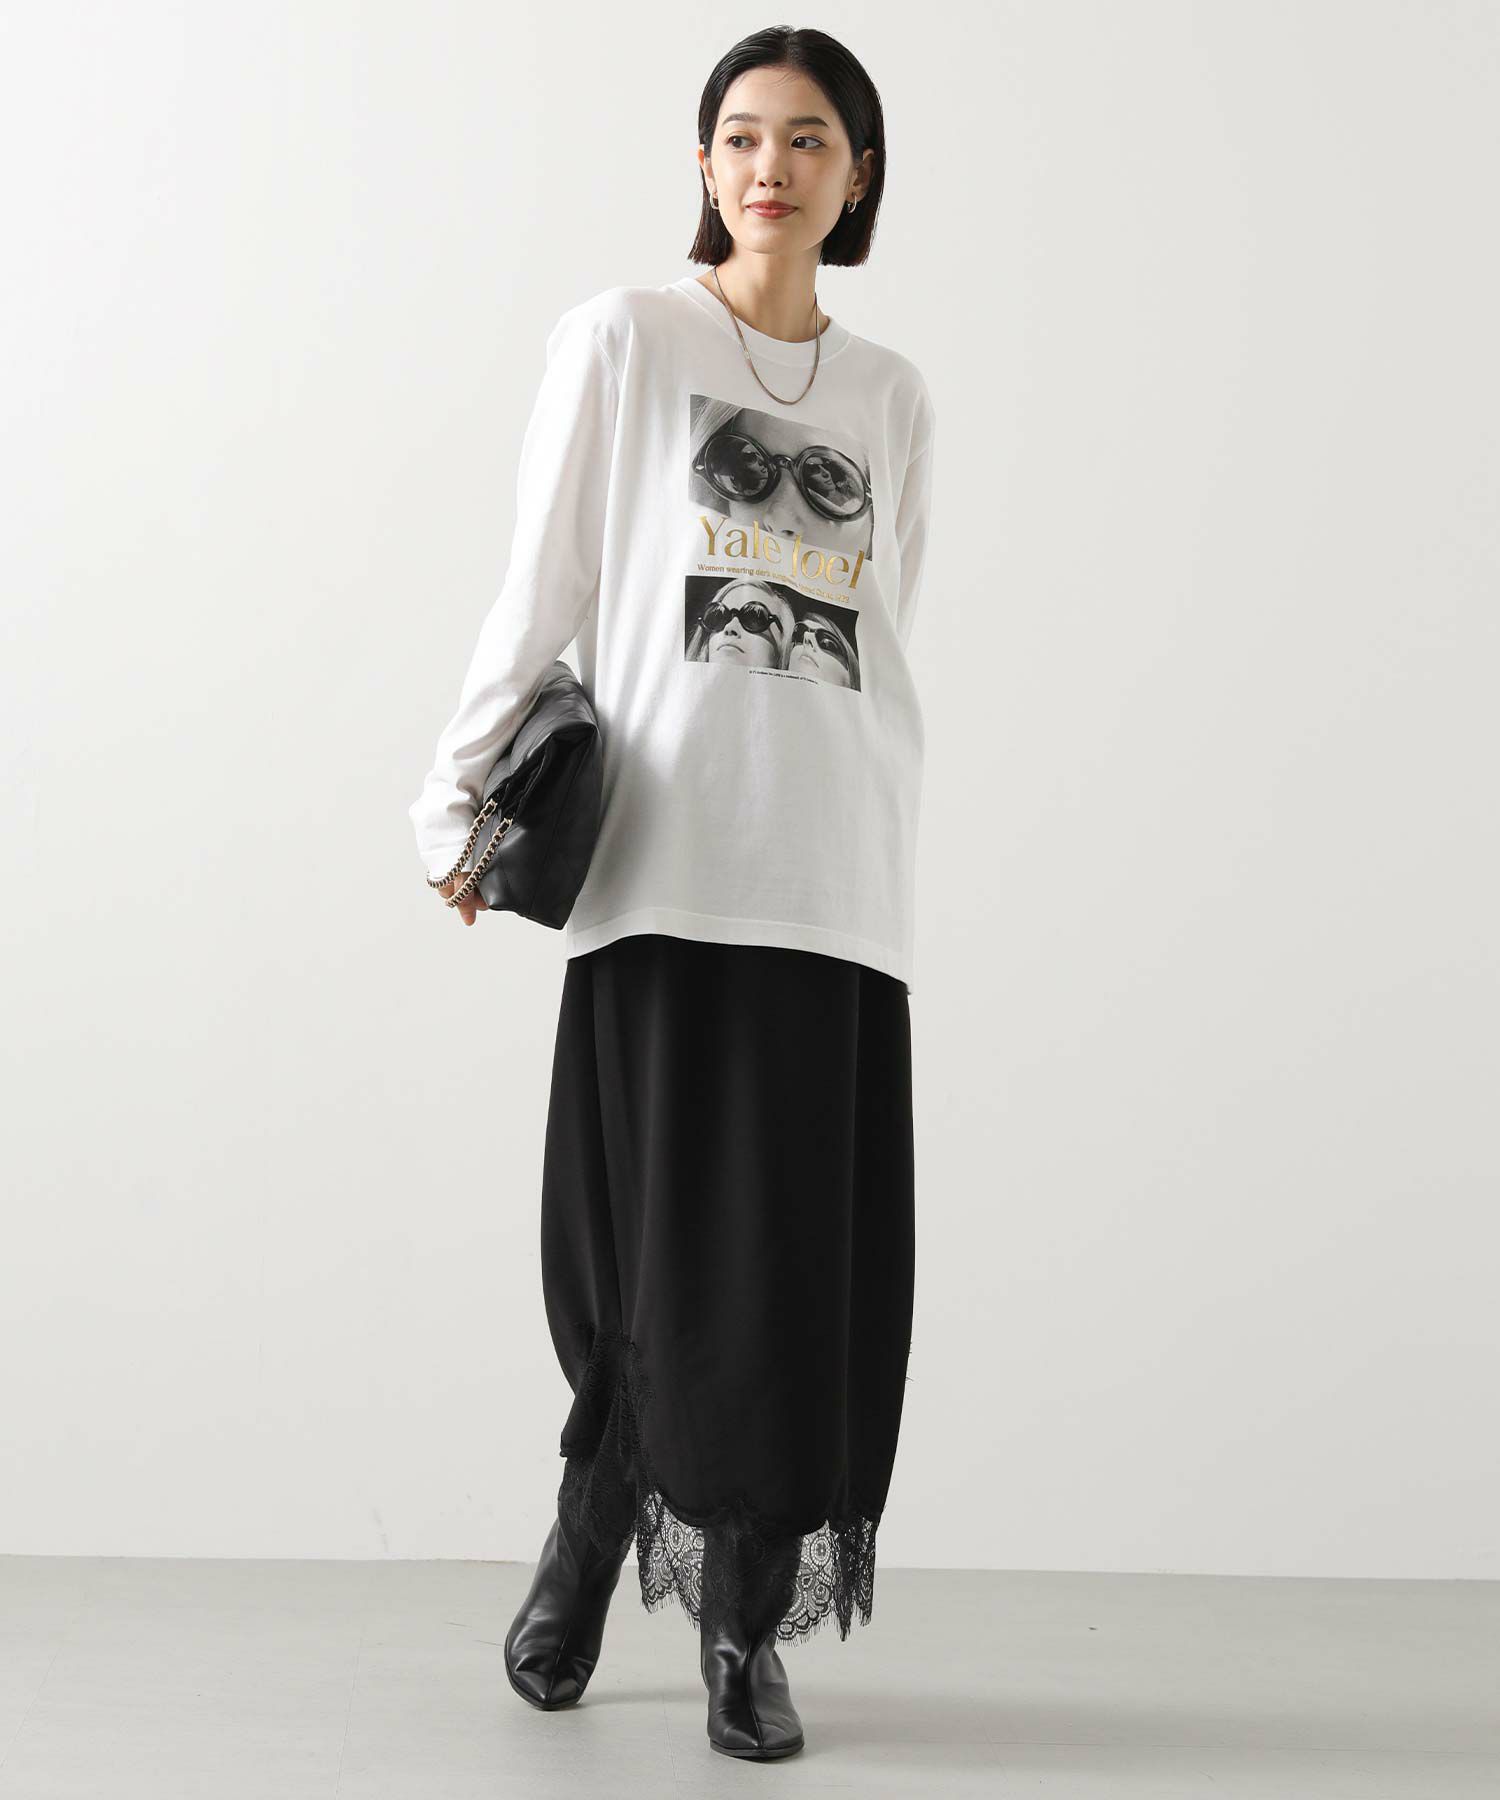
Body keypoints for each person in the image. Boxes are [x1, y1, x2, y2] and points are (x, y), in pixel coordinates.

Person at [409, 25, 936, 1764]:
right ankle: (590, 1537)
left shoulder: (891, 396)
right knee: (637, 1253)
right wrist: (453, 799)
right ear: (705, 166)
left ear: (857, 175)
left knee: (789, 1272)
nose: (772, 166)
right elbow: (544, 587)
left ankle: (741, 1626)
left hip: (834, 875)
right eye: (742, 136)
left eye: (809, 138)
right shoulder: (626, 341)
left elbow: (883, 631)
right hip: (663, 866)